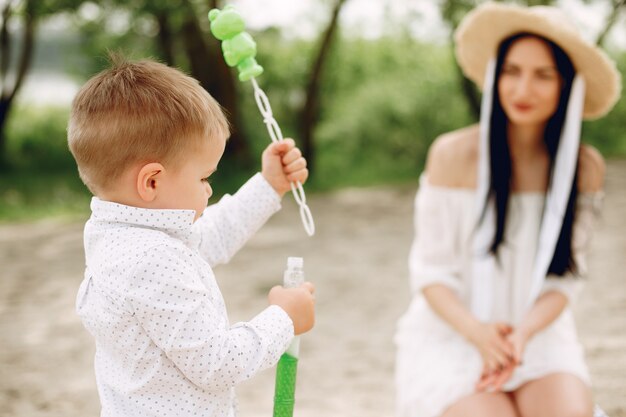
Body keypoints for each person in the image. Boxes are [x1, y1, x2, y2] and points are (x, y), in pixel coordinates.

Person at [394, 3, 621, 417]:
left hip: (538, 335)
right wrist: (480, 335)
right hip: (454, 334)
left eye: (543, 75)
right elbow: (431, 273)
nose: (522, 90)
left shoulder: (583, 168)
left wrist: (523, 334)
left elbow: (566, 277)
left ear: (566, 84)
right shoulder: (453, 154)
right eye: (512, 71)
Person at [67, 55, 316, 417]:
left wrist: (269, 185)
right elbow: (217, 364)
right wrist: (284, 317)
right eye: (203, 177)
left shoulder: (119, 231)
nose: (209, 190)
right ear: (152, 181)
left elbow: (210, 235)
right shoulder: (151, 259)